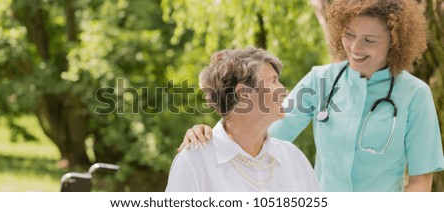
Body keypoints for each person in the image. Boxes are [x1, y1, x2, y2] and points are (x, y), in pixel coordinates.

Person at [179, 0, 444, 191]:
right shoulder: (322, 80)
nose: (354, 47)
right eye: (349, 35)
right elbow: (263, 129)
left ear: (394, 42)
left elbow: (421, 180)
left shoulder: (415, 95)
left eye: (369, 40)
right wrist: (210, 137)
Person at [165, 47, 320, 191]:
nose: (284, 91)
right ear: (244, 93)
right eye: (273, 81)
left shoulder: (293, 158)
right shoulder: (194, 161)